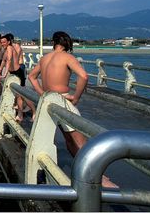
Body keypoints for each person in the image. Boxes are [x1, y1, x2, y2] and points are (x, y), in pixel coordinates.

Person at [27, 31, 117, 188]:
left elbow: (31, 77)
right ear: (67, 43)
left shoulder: (44, 59)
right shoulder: (68, 57)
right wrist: (76, 97)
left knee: (68, 139)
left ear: (54, 43)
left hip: (48, 101)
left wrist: (42, 93)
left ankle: (83, 169)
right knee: (79, 140)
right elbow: (84, 76)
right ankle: (98, 176)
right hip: (62, 100)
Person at [0, 34, 36, 122]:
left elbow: (9, 60)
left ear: (8, 42)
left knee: (22, 94)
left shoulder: (10, 48)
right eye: (1, 42)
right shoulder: (6, 50)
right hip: (12, 72)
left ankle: (34, 111)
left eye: (4, 42)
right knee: (18, 95)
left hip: (18, 72)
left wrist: (4, 74)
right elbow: (3, 61)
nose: (2, 44)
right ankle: (20, 114)